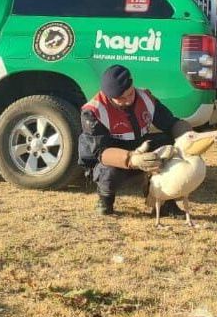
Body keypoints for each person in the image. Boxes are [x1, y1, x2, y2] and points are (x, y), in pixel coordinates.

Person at [79, 65, 194, 216]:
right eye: (121, 99)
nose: (128, 101)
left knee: (168, 145)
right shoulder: (93, 112)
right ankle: (105, 200)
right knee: (108, 170)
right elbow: (100, 152)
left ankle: (164, 201)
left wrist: (187, 137)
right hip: (110, 153)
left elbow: (170, 123)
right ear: (108, 96)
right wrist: (131, 159)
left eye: (130, 94)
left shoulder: (146, 98)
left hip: (139, 144)